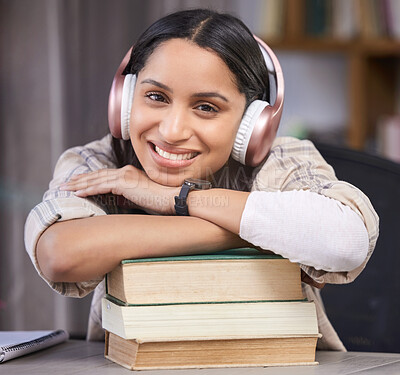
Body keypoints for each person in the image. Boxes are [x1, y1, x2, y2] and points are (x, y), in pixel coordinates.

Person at [24, 9, 378, 350]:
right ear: (125, 101)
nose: (172, 130)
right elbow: (60, 254)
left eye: (206, 107)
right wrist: (257, 235)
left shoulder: (283, 160)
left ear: (252, 124)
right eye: (156, 97)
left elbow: (347, 240)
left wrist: (181, 199)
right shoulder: (101, 163)